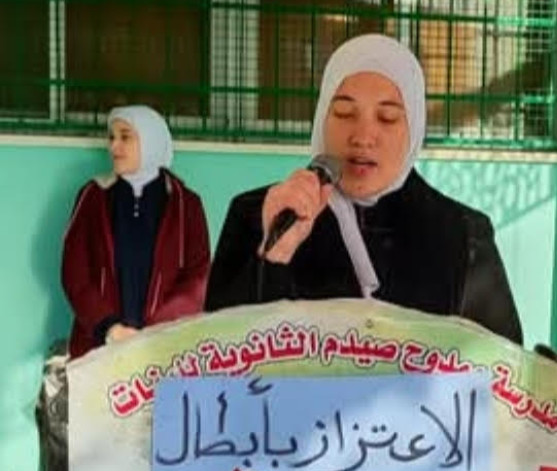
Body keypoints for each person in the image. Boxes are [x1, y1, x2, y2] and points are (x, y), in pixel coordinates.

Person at [204, 34, 522, 344]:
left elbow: (500, 375)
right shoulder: (261, 214)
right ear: (322, 117)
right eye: (344, 113)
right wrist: (273, 257)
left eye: (387, 117)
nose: (363, 136)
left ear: (414, 129)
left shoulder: (461, 233)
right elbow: (212, 357)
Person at [61, 105, 211, 358]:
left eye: (125, 137)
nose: (114, 147)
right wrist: (109, 328)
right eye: (112, 137)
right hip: (101, 347)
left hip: (165, 348)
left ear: (151, 140)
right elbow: (75, 272)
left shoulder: (186, 204)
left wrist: (157, 330)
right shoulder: (93, 196)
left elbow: (198, 276)